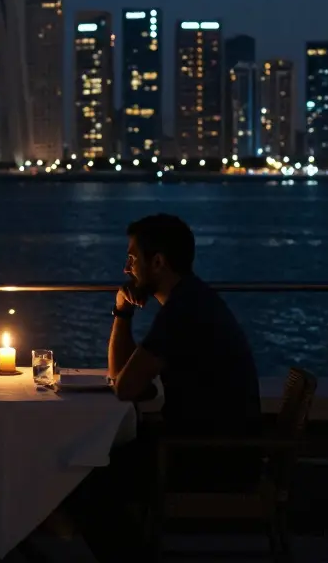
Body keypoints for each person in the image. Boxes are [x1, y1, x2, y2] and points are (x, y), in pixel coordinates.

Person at [70, 214, 262, 561]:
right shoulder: (191, 300)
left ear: (157, 262)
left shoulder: (183, 312)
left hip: (207, 456)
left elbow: (125, 387)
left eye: (132, 258)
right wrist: (123, 313)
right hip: (214, 444)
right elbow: (123, 377)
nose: (127, 269)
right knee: (93, 467)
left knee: (86, 478)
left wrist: (122, 318)